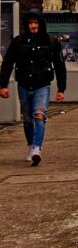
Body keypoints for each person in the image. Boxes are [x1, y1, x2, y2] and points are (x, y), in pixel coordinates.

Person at [0, 10, 67, 166]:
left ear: (41, 24)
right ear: (26, 25)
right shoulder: (18, 41)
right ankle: (31, 145)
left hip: (42, 85)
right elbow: (8, 63)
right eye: (30, 23)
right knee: (28, 119)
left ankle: (37, 149)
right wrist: (3, 85)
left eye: (36, 23)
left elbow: (59, 65)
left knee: (39, 116)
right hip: (24, 85)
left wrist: (61, 89)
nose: (33, 26)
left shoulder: (50, 41)